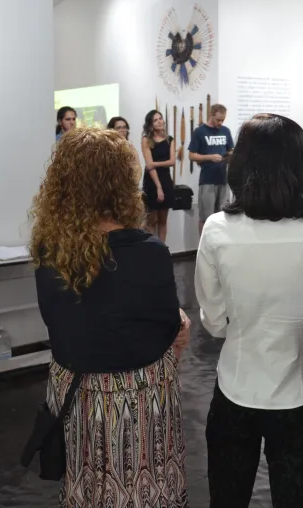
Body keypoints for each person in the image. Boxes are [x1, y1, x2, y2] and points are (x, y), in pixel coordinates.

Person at [31, 127, 191, 508]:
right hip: (137, 400)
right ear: (122, 182)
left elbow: (63, 322)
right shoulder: (148, 251)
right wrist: (181, 325)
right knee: (143, 490)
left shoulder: (49, 250)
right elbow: (164, 331)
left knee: (87, 490)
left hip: (77, 395)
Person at [196, 114, 303, 508]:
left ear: (242, 163)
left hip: (236, 386)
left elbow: (213, 323)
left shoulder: (216, 229)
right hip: (301, 390)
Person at [189, 104, 235, 234]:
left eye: (223, 120)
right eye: (218, 120)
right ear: (211, 115)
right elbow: (191, 155)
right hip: (207, 179)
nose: (220, 123)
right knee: (206, 217)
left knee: (223, 217)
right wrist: (210, 157)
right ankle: (203, 247)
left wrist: (230, 156)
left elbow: (230, 150)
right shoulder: (200, 132)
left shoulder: (225, 131)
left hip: (223, 178)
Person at [141, 110, 176, 242]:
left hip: (166, 179)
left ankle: (162, 250)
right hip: (152, 180)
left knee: (163, 220)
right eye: (155, 120)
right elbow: (149, 167)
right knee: (152, 220)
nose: (159, 121)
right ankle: (151, 251)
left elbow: (172, 162)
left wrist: (155, 163)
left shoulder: (169, 139)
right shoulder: (146, 139)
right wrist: (159, 188)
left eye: (160, 118)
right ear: (150, 124)